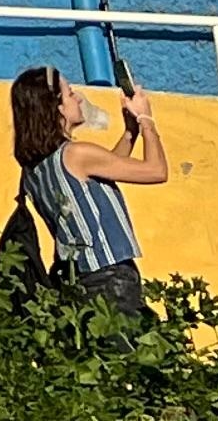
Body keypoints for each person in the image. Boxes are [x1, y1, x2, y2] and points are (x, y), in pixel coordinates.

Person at [10, 63, 166, 314]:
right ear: (57, 107)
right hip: (110, 276)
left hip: (75, 279)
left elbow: (106, 168)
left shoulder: (34, 169)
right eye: (70, 93)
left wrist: (130, 132)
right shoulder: (76, 154)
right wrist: (146, 120)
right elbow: (156, 171)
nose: (79, 99)